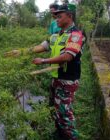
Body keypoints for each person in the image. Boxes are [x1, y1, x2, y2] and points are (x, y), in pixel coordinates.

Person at [32, 4, 85, 140]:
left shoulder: (76, 35)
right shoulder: (56, 35)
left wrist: (44, 61)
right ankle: (60, 134)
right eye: (56, 16)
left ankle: (71, 137)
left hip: (67, 80)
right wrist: (22, 51)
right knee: (56, 110)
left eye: (60, 16)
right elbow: (42, 46)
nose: (56, 19)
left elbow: (68, 56)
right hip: (56, 79)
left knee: (65, 114)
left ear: (70, 16)